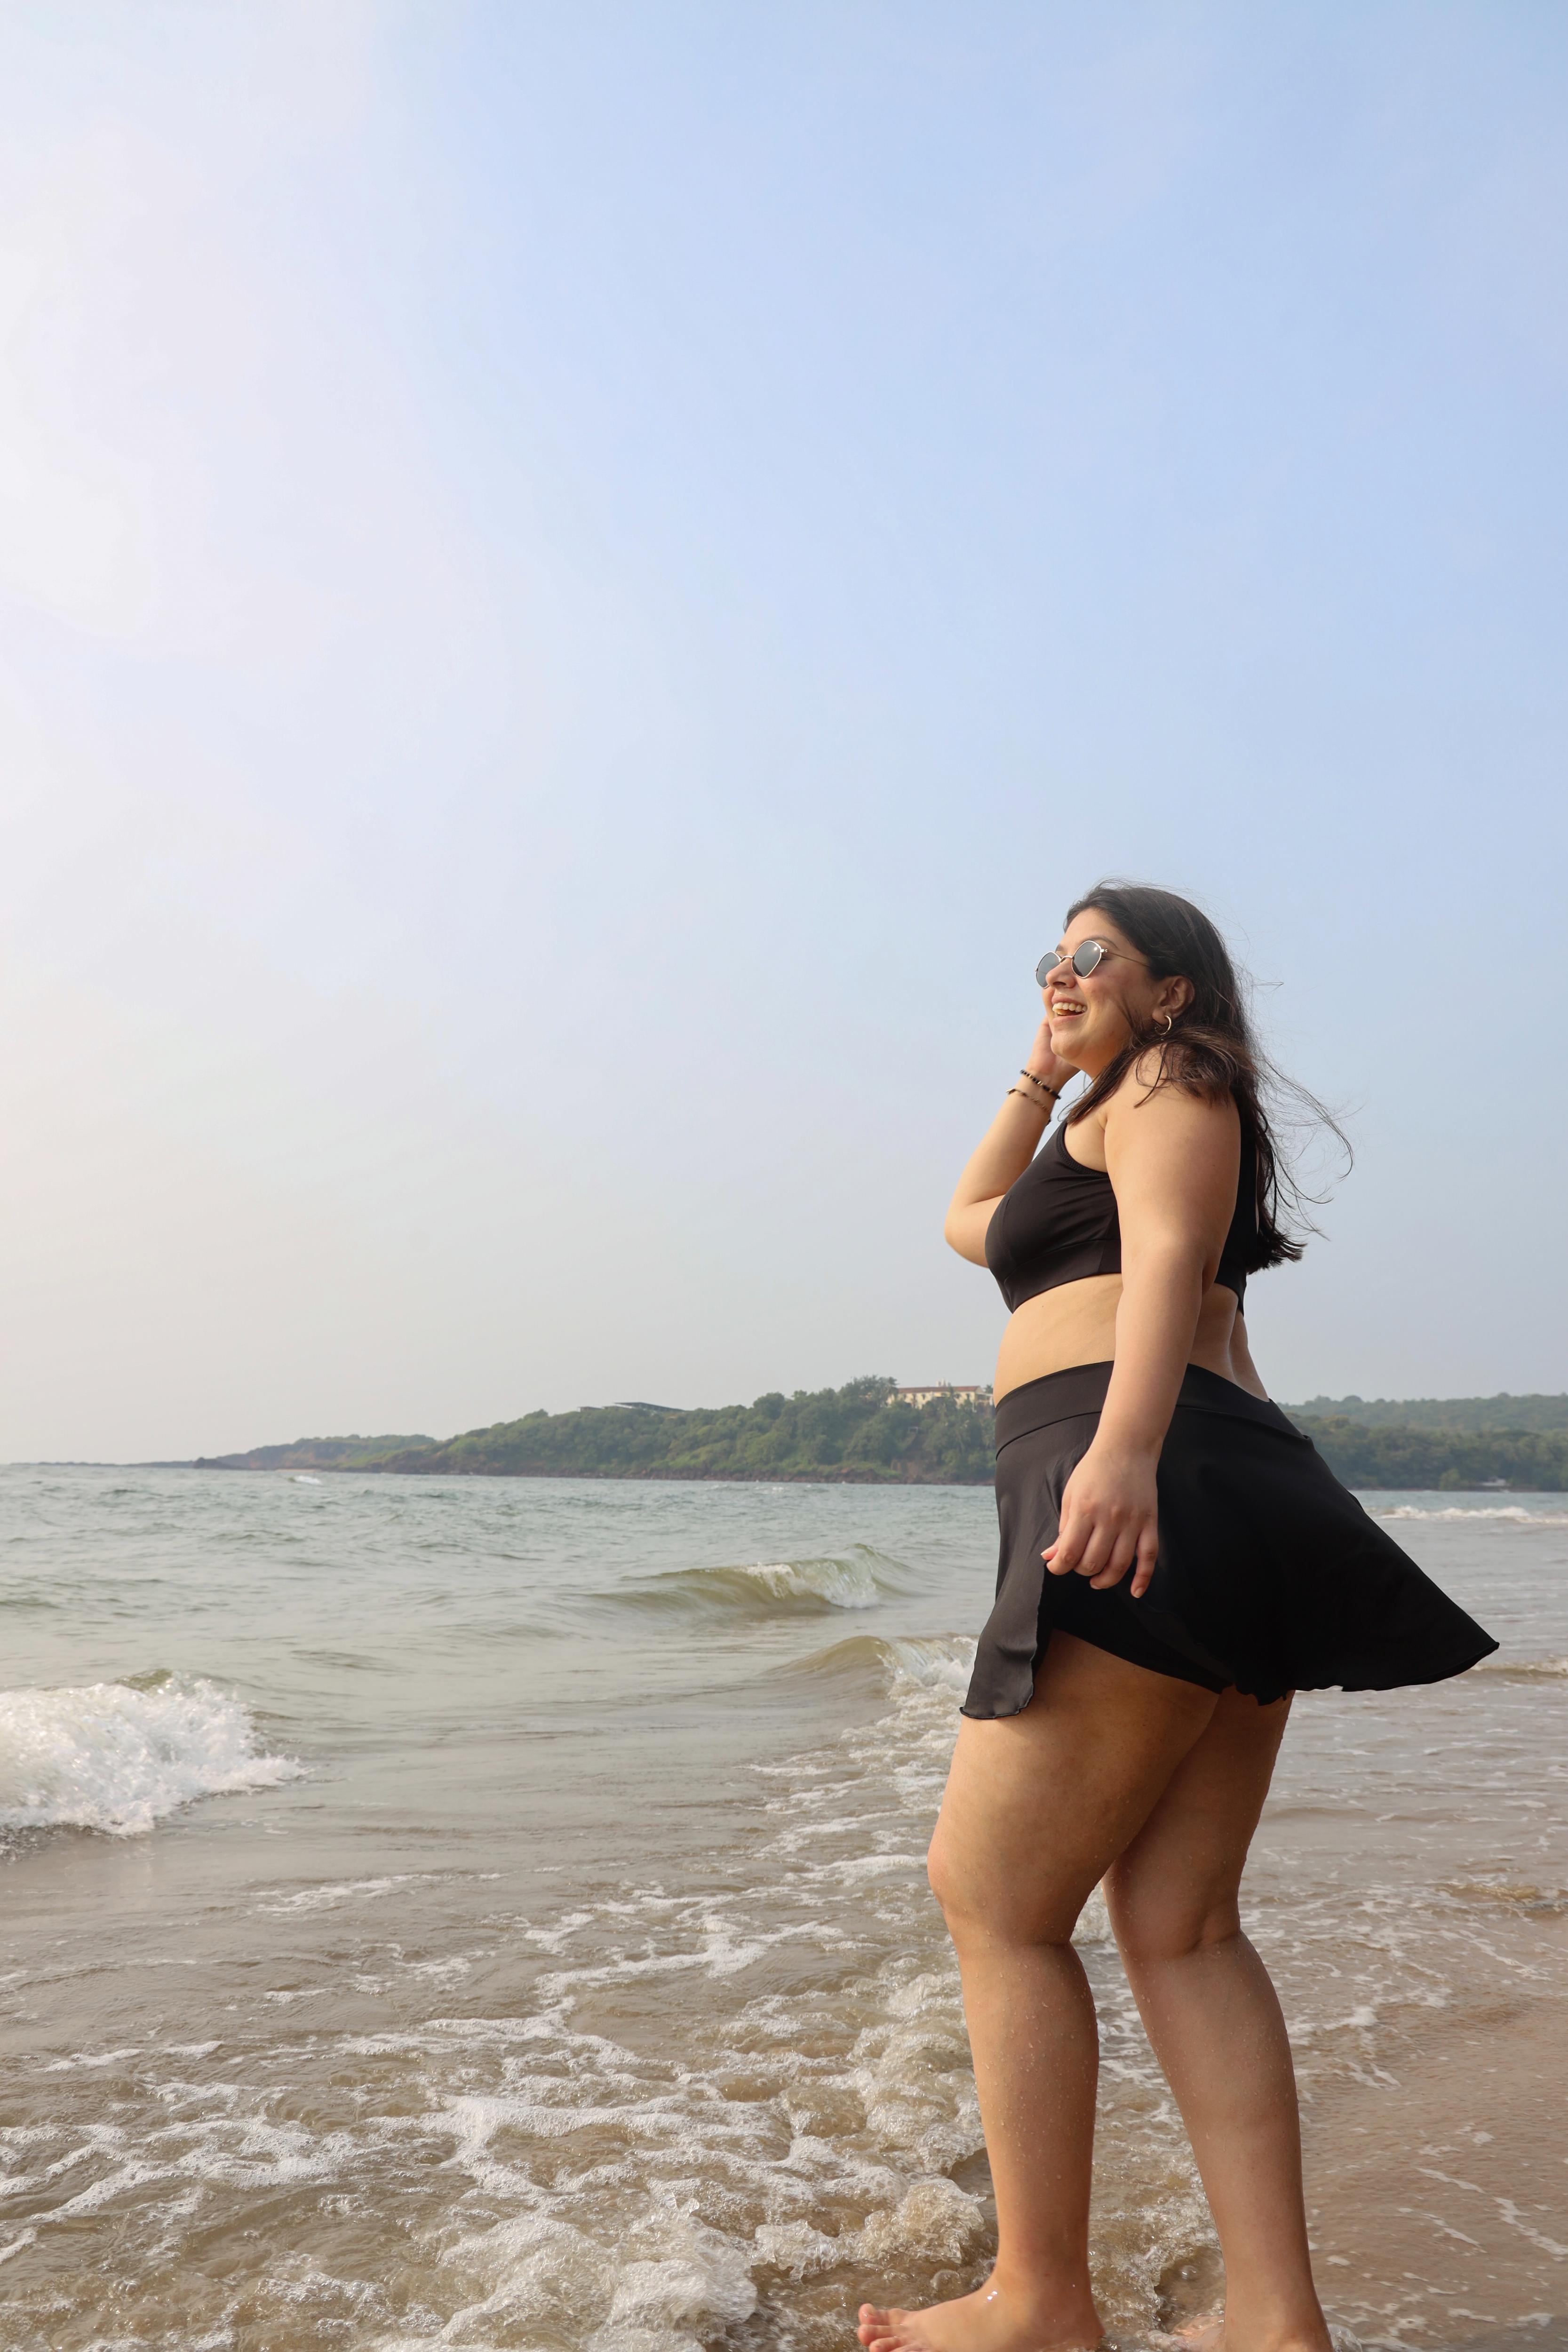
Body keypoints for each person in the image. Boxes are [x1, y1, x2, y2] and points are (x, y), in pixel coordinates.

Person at [857, 882, 1496, 2352]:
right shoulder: (1112, 1098)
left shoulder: (1172, 1082)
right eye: (1047, 959)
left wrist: (1127, 1455)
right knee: (1180, 1925)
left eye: (1093, 956)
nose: (1061, 975)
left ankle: (1041, 2301)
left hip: (1140, 1481)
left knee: (996, 1903)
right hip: (1216, 1500)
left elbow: (1157, 1273)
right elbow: (973, 1226)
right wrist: (1040, 1064)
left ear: (1177, 992)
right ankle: (1273, 2323)